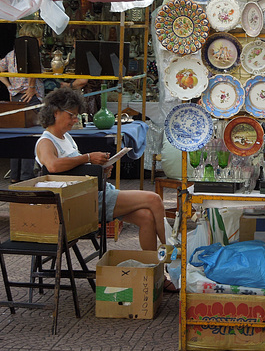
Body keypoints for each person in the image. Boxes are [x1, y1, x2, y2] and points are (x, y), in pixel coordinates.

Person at [35, 87, 167, 254]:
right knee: (154, 199)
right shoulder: (45, 142)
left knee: (146, 217)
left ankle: (155, 267)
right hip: (80, 202)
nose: (75, 120)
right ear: (55, 112)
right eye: (71, 115)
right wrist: (88, 158)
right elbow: (53, 166)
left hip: (90, 195)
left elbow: (74, 169)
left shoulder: (65, 137)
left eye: (76, 116)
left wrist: (99, 170)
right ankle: (170, 252)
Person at [0, 23, 45, 183]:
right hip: (30, 97)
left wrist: (9, 87)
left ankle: (14, 175)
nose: (42, 42)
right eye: (39, 39)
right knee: (30, 136)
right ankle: (26, 176)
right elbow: (34, 70)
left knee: (16, 136)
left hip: (16, 97)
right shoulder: (32, 52)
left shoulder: (11, 54)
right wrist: (31, 86)